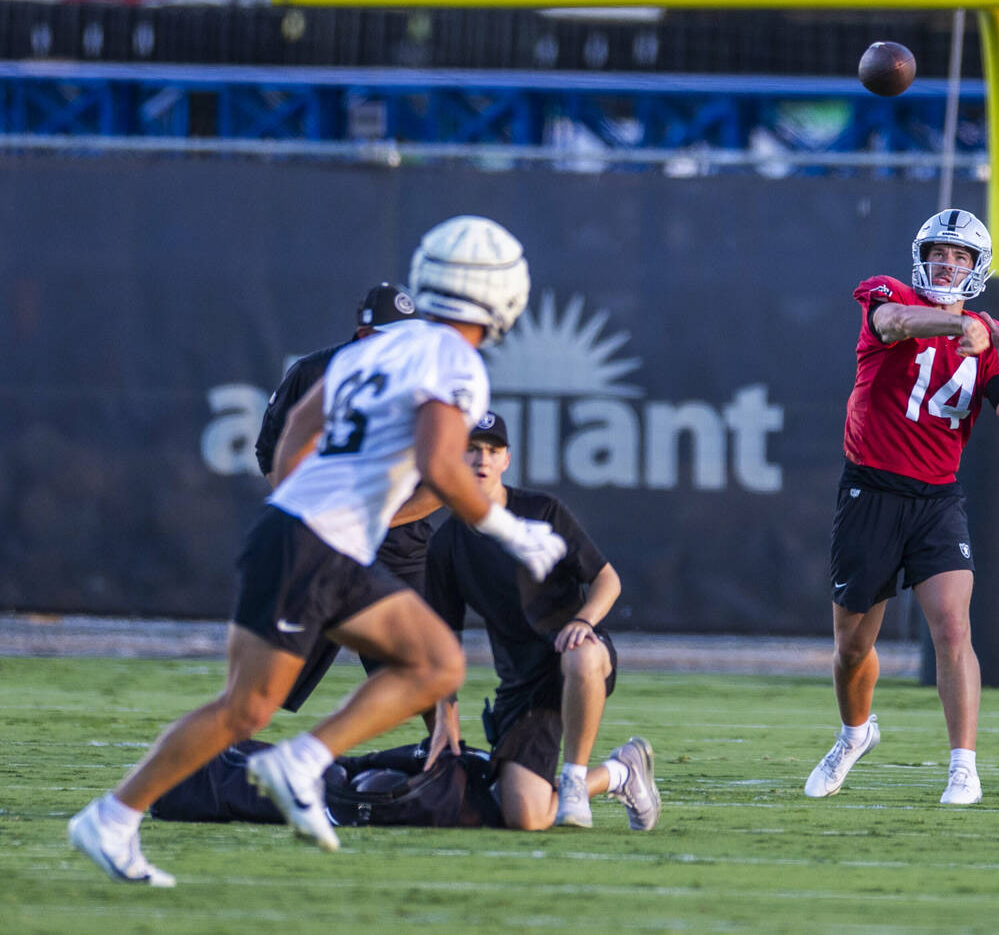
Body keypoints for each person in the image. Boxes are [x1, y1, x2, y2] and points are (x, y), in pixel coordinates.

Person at [68, 214, 567, 886]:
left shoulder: (369, 351)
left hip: (307, 536)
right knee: (249, 708)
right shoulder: (457, 361)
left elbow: (296, 431)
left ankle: (157, 804)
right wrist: (509, 528)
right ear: (505, 294)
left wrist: (313, 507)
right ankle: (131, 810)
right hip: (315, 544)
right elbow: (440, 463)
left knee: (431, 664)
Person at [805, 208, 999, 806]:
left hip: (937, 497)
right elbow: (897, 321)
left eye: (960, 257)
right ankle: (856, 733)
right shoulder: (893, 294)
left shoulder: (987, 336)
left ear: (977, 268)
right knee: (852, 646)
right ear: (921, 256)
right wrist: (961, 327)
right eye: (939, 253)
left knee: (953, 627)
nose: (947, 264)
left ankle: (964, 766)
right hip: (871, 490)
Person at [423, 411, 661, 831]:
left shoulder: (542, 510)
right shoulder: (446, 544)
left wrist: (584, 621)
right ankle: (620, 772)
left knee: (581, 657)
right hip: (523, 687)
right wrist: (446, 716)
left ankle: (572, 778)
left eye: (492, 451)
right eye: (472, 450)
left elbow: (607, 579)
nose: (482, 459)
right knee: (526, 817)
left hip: (577, 656)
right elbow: (441, 641)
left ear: (506, 460)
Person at [253, 281, 438, 711]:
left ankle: (444, 761)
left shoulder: (427, 385)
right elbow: (271, 452)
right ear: (363, 337)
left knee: (426, 670)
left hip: (398, 547)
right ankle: (234, 761)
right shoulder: (316, 375)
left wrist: (378, 519)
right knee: (269, 679)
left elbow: (442, 484)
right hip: (325, 545)